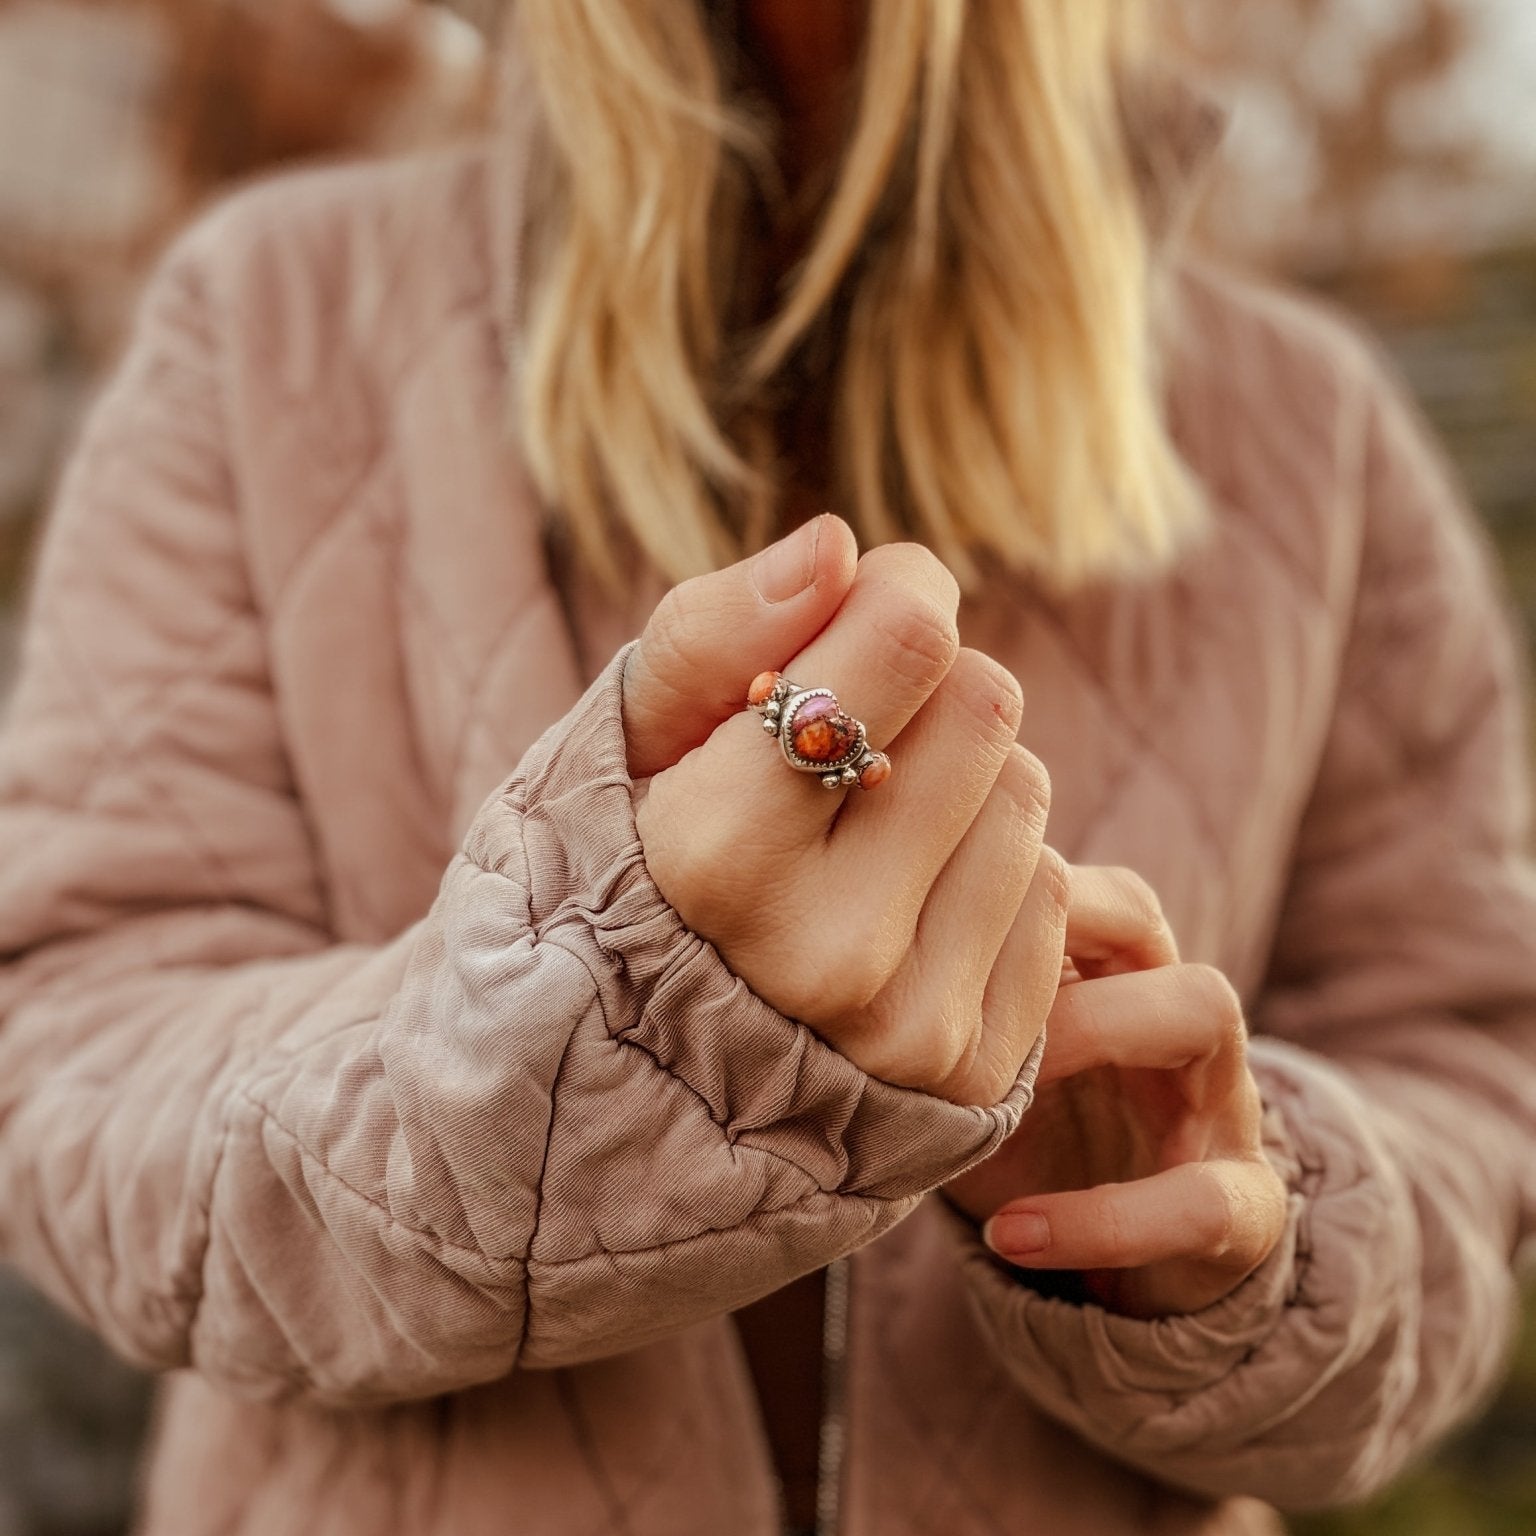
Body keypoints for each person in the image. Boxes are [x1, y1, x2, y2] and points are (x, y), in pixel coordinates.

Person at [0, 2, 1532, 1533]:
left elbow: (1473, 1078)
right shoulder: (274, 321)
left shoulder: (1305, 434)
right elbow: (69, 1051)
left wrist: (1245, 1236)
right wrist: (593, 1023)